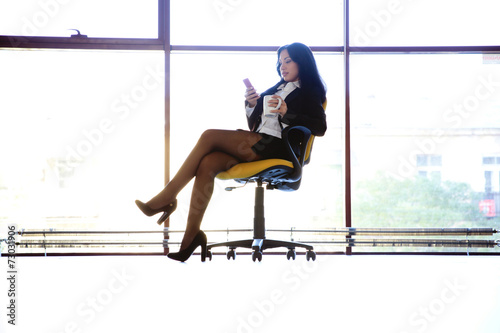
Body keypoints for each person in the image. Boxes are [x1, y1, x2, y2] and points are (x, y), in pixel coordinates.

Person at [135, 42, 327, 262]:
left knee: (209, 136)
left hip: (276, 149)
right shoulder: (275, 89)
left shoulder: (310, 92)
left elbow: (320, 128)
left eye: (288, 61)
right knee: (208, 162)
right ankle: (191, 237)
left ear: (302, 62)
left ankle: (168, 197)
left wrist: (287, 112)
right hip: (257, 142)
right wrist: (251, 104)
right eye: (280, 62)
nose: (282, 66)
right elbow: (256, 124)